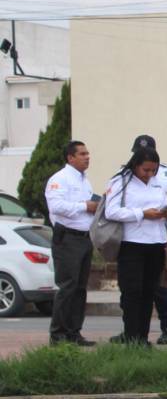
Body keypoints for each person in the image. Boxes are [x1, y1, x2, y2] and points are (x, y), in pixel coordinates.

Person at [110, 135, 167, 344]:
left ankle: (142, 338)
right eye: (145, 170)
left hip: (156, 243)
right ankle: (131, 338)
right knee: (132, 293)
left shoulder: (159, 184)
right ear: (135, 165)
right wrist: (142, 213)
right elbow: (112, 212)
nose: (149, 174)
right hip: (132, 244)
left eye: (153, 170)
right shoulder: (121, 181)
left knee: (149, 292)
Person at [45, 140, 98, 346]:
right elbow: (56, 206)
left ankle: (74, 333)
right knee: (67, 287)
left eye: (88, 153)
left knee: (80, 289)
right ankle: (57, 335)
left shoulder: (85, 180)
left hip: (84, 238)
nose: (87, 157)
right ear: (70, 158)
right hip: (67, 238)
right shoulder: (59, 179)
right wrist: (86, 206)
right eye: (82, 154)